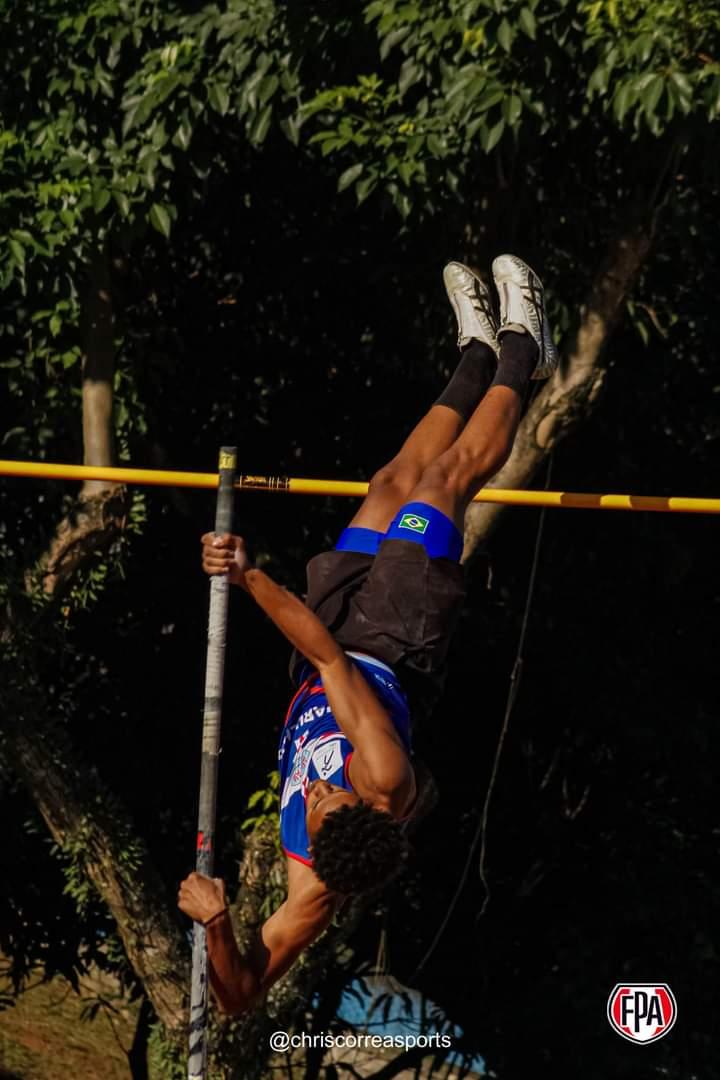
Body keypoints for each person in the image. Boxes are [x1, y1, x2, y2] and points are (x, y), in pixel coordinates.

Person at [178, 254, 558, 1013]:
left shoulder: (314, 885)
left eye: (313, 803)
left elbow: (239, 998)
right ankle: (526, 348)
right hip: (393, 635)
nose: (314, 790)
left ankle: (476, 353)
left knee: (390, 481)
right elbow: (326, 656)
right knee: (443, 481)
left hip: (334, 635)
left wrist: (219, 926)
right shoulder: (382, 775)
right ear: (366, 807)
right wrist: (247, 575)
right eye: (328, 796)